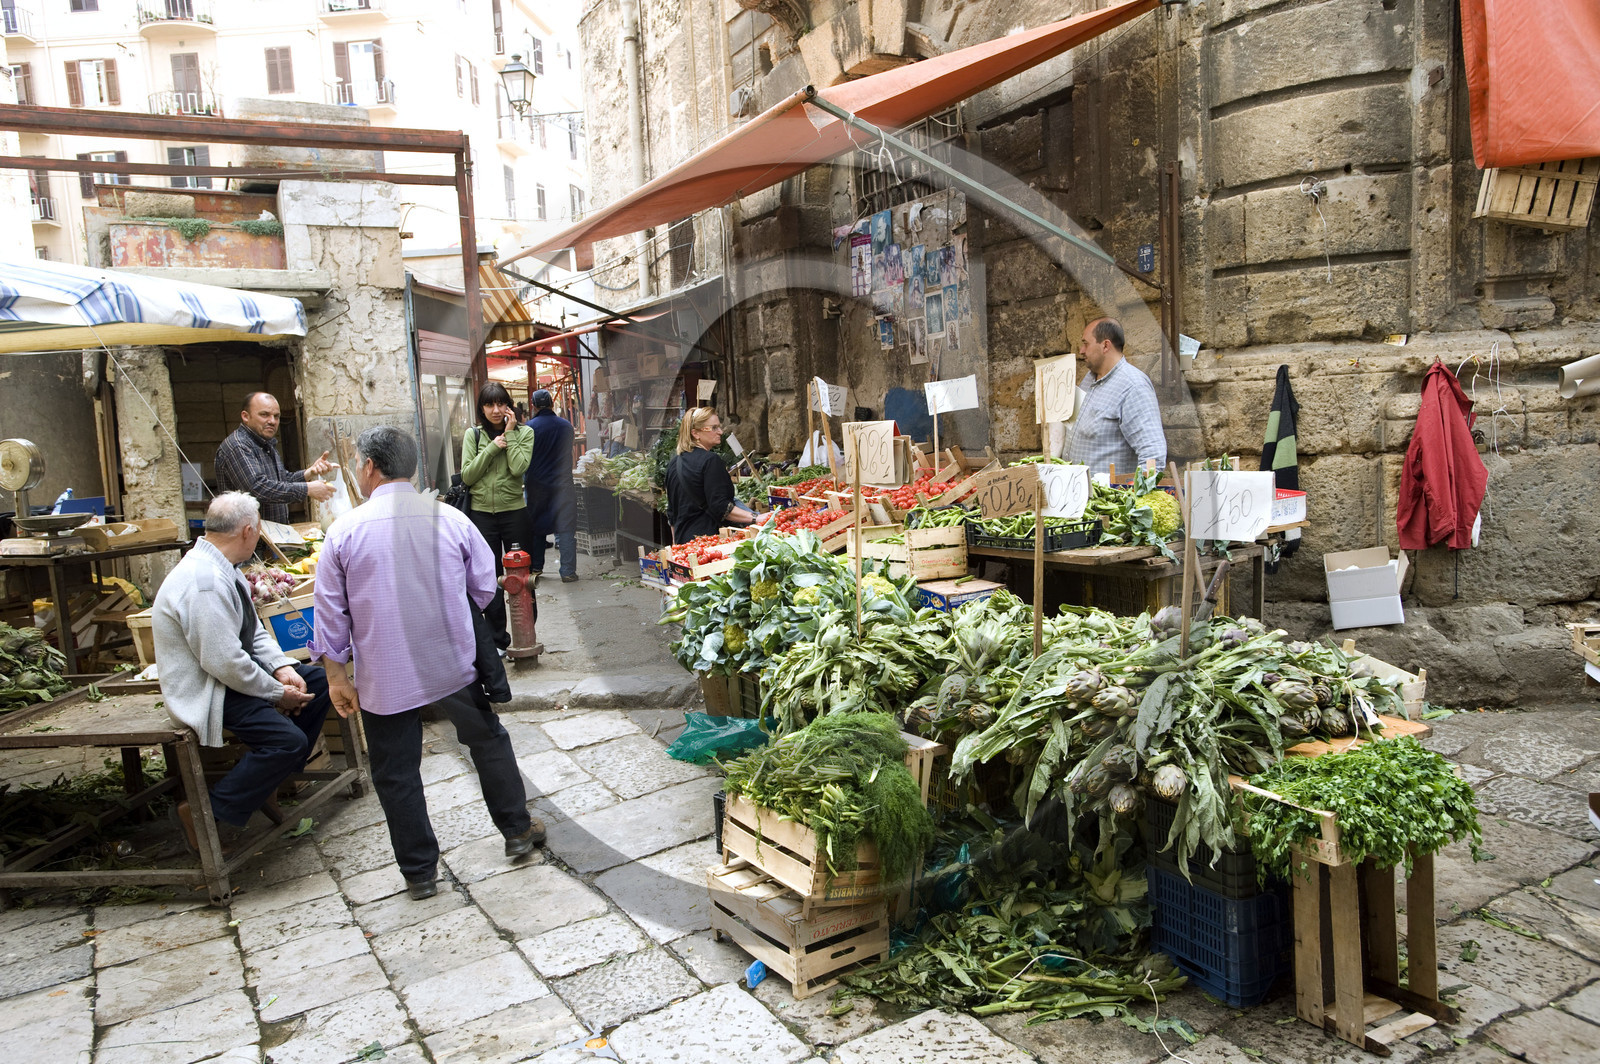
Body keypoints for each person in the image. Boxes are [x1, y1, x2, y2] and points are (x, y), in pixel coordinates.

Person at [309, 426, 540, 901]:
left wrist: (336, 678)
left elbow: (331, 616)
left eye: (358, 462)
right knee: (487, 739)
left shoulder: (344, 532)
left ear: (370, 467)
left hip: (385, 672)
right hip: (451, 659)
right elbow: (482, 588)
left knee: (396, 770)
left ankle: (419, 873)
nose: (357, 469)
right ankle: (516, 831)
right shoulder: (451, 521)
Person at [151, 492, 332, 851]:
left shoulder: (224, 565)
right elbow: (224, 663)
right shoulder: (204, 581)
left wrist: (282, 668)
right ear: (248, 530)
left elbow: (253, 633)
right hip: (209, 689)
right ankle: (207, 811)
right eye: (260, 528)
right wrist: (278, 693)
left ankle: (264, 783)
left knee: (321, 681)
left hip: (230, 675)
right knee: (288, 741)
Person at [460, 382, 534, 650]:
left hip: (514, 512)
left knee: (522, 576)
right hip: (481, 516)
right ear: (481, 408)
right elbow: (468, 475)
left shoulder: (525, 433)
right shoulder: (474, 435)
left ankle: (527, 632)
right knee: (488, 579)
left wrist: (511, 434)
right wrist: (492, 447)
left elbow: (518, 468)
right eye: (489, 404)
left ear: (509, 406)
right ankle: (498, 641)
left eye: (501, 404)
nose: (496, 410)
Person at [214, 392, 336, 526]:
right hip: (246, 540)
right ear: (245, 416)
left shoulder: (267, 444)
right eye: (264, 414)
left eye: (276, 416)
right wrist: (307, 489)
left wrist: (310, 472)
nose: (272, 421)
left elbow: (281, 480)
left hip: (273, 536)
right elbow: (258, 488)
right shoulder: (238, 446)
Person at [1068, 317, 1167, 476]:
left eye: (1086, 344)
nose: (1081, 350)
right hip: (1075, 494)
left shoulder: (1134, 386)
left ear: (1105, 345)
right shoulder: (1088, 378)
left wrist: (1134, 496)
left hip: (1108, 498)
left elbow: (1153, 454)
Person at [664, 408, 756, 544]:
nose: (720, 431)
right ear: (695, 433)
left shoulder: (674, 463)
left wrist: (676, 546)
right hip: (708, 542)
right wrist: (755, 518)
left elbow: (671, 513)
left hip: (683, 542)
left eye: (718, 427)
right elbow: (722, 507)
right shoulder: (710, 461)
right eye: (714, 428)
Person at [522, 389, 578, 582]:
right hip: (563, 485)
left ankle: (536, 568)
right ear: (552, 405)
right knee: (566, 528)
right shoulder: (566, 426)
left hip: (537, 486)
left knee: (536, 528)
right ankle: (568, 572)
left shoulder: (528, 428)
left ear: (534, 405)